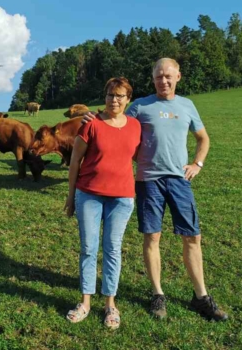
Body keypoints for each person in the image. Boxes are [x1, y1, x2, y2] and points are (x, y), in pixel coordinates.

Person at [83, 58, 228, 321]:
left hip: (179, 180)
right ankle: (158, 295)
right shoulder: (140, 106)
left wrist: (198, 163)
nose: (163, 81)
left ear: (178, 77)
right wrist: (92, 117)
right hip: (148, 180)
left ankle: (201, 297)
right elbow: (114, 121)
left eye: (168, 76)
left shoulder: (187, 105)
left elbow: (203, 138)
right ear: (153, 79)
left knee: (192, 237)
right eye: (159, 77)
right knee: (152, 237)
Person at [64, 77, 141, 330]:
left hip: (122, 198)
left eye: (120, 96)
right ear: (104, 97)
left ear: (128, 99)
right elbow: (75, 161)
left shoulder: (135, 126)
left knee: (112, 249)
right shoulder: (91, 124)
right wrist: (70, 196)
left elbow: (141, 158)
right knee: (88, 247)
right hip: (89, 195)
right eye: (110, 95)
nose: (114, 100)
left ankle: (110, 304)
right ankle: (85, 302)